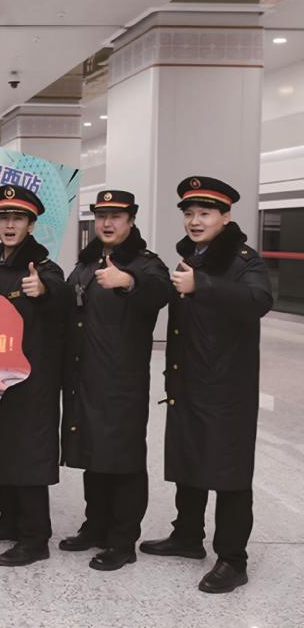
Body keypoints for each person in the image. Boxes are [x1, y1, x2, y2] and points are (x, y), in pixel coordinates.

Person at [140, 176, 272, 594]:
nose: (195, 221)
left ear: (226, 216)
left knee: (231, 473)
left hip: (227, 388)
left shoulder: (244, 261)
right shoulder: (191, 256)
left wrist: (205, 285)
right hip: (189, 381)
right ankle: (187, 535)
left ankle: (233, 558)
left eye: (205, 213)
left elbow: (259, 301)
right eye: (190, 213)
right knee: (190, 459)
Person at [60, 190, 170, 571]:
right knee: (94, 455)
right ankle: (96, 526)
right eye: (101, 215)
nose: (107, 223)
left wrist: (128, 281)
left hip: (122, 383)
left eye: (116, 216)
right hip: (85, 377)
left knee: (123, 459)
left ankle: (123, 541)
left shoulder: (145, 264)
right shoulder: (86, 264)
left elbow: (160, 292)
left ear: (131, 220)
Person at [0, 184, 70, 567]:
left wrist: (43, 291)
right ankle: (9, 521)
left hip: (32, 381)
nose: (10, 225)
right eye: (4, 218)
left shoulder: (43, 268)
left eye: (18, 219)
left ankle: (35, 537)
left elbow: (61, 296)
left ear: (31, 225)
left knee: (28, 455)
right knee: (2, 448)